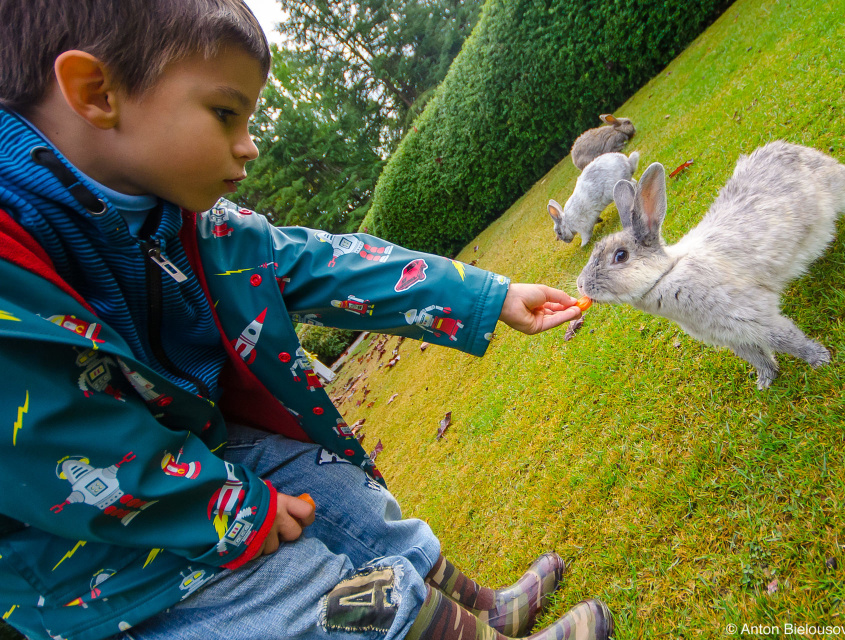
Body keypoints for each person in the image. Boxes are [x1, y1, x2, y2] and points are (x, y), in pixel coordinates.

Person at [0, 2, 615, 639]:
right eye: (224, 113)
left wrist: (485, 297)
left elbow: (329, 265)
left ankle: (477, 610)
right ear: (97, 92)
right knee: (314, 602)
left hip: (203, 450)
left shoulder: (186, 222)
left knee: (343, 500)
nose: (249, 144)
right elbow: (48, 440)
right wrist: (228, 511)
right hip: (93, 560)